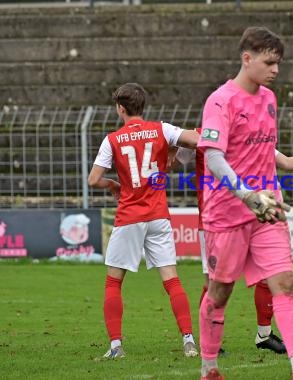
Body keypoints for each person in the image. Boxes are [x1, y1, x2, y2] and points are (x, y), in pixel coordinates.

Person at [197, 26, 293, 380]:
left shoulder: (269, 99)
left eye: (278, 63)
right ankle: (209, 368)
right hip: (230, 211)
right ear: (246, 59)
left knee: (286, 284)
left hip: (267, 209)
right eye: (269, 62)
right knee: (219, 292)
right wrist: (247, 194)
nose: (276, 70)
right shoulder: (220, 101)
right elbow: (215, 159)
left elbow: (265, 151)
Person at [175, 144, 293, 356]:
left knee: (272, 277)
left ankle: (266, 335)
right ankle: (209, 346)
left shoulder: (257, 138)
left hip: (261, 216)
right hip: (224, 220)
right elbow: (175, 158)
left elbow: (286, 161)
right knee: (216, 284)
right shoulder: (208, 138)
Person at [87, 83, 200, 359]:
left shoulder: (112, 139)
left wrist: (113, 183)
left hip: (129, 217)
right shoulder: (163, 129)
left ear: (121, 109)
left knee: (113, 283)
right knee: (172, 281)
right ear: (143, 107)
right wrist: (174, 149)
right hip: (158, 215)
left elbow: (93, 180)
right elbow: (197, 139)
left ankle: (116, 347)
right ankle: (189, 341)